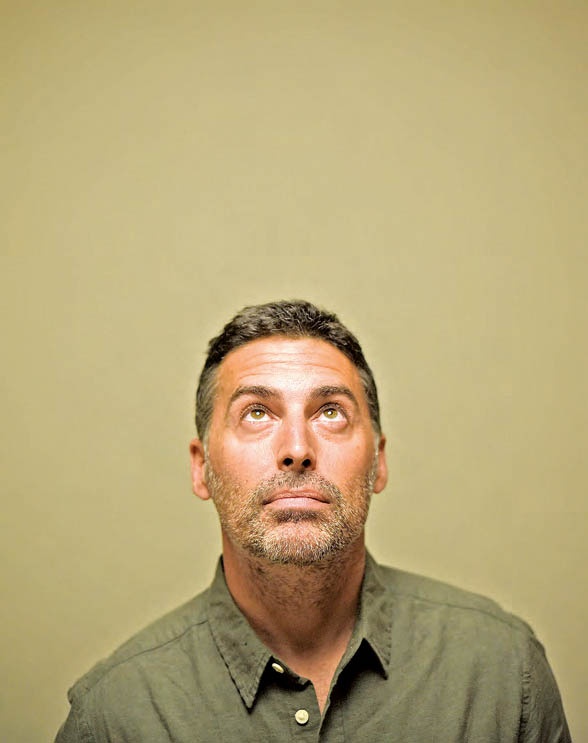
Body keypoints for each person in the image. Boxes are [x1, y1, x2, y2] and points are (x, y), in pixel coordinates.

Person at [56, 299, 571, 742]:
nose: (297, 449)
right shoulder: (114, 716)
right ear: (202, 468)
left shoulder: (504, 673)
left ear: (378, 462)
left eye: (330, 412)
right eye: (256, 412)